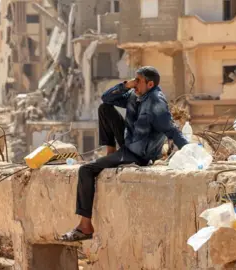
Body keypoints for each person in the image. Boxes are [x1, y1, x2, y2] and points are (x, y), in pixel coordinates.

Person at [60, 66, 189, 241]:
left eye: (138, 81)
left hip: (139, 154)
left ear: (150, 84)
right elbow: (106, 98)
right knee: (104, 108)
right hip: (129, 143)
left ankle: (85, 226)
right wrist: (125, 86)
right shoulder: (135, 95)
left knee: (86, 170)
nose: (135, 85)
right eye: (134, 81)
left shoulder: (156, 103)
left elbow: (172, 131)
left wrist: (191, 152)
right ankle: (110, 152)